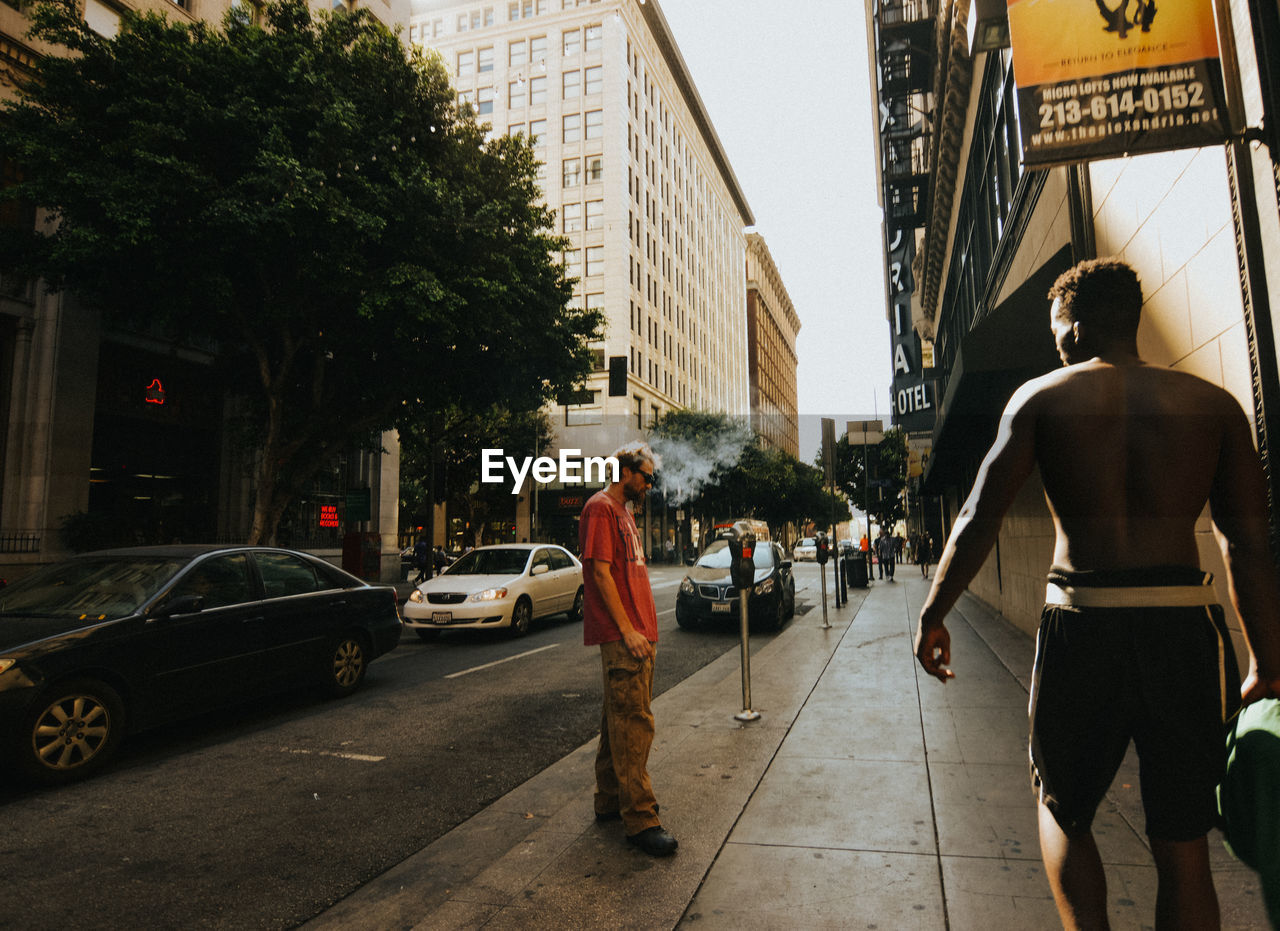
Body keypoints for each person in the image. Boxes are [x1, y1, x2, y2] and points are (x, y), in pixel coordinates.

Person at [913, 258, 1280, 930]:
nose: (1057, 345)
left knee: (1060, 807)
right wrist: (1266, 659)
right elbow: (1248, 544)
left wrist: (934, 611)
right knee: (1185, 841)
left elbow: (978, 519)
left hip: (1085, 626)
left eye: (1059, 334)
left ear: (1077, 326)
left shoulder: (1043, 399)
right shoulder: (1214, 406)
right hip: (1185, 628)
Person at [579, 441, 677, 857]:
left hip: (638, 635)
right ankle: (640, 818)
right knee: (635, 723)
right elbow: (599, 574)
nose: (650, 484)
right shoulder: (601, 507)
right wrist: (629, 631)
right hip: (626, 638)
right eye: (647, 476)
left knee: (615, 722)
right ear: (625, 471)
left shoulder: (625, 513)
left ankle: (608, 801)